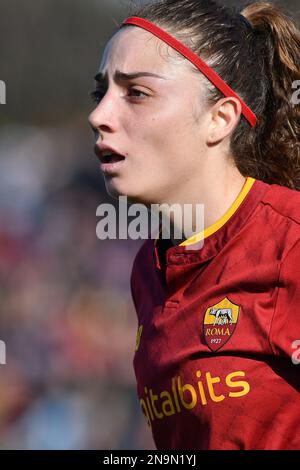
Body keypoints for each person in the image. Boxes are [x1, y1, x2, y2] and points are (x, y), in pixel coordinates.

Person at [88, 0, 300, 450]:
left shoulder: (291, 239)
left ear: (219, 118)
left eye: (136, 93)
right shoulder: (148, 268)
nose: (99, 116)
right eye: (100, 93)